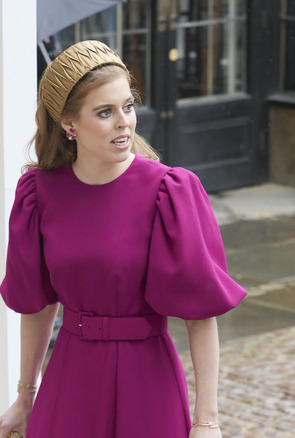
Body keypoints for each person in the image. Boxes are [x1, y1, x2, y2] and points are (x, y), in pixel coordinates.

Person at [0, 40, 246, 437]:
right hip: (70, 379)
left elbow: (200, 315)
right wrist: (26, 396)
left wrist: (207, 422)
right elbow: (37, 304)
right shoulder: (37, 195)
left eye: (128, 106)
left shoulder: (170, 192)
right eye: (105, 112)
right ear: (69, 124)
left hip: (148, 382)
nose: (124, 123)